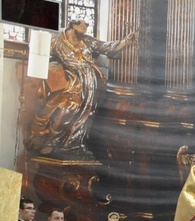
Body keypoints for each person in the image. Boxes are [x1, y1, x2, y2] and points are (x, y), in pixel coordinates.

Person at [25, 19, 138, 159]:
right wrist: (51, 64)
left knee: (87, 113)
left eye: (86, 28)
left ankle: (75, 144)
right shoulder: (57, 40)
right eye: (82, 27)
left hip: (91, 81)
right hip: (71, 80)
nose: (84, 31)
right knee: (67, 108)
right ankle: (54, 143)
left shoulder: (87, 41)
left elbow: (105, 47)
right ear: (73, 25)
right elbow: (40, 54)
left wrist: (125, 42)